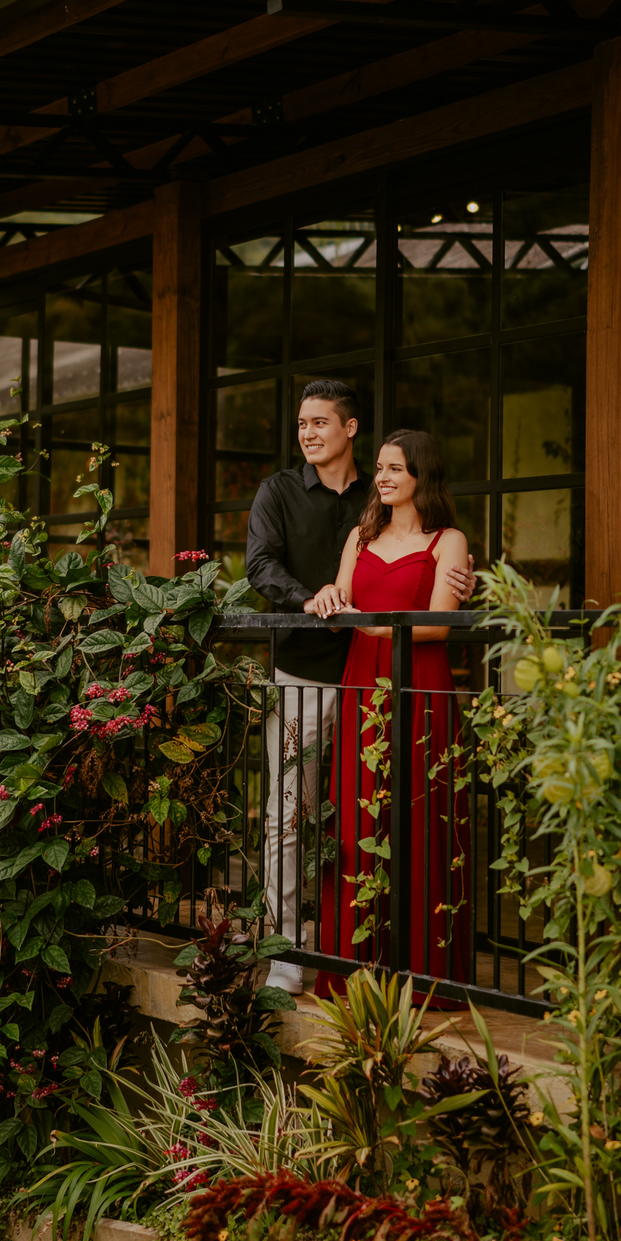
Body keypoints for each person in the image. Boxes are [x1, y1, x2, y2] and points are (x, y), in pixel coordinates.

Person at [246, 384, 474, 994]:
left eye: (320, 422)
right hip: (305, 675)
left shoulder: (374, 502)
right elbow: (261, 567)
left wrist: (461, 586)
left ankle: (402, 954)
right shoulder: (279, 491)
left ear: (349, 428)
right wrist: (310, 598)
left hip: (372, 679)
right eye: (301, 423)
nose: (307, 432)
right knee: (290, 814)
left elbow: (427, 587)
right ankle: (288, 955)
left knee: (392, 814)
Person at [309, 429, 471, 998]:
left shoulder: (449, 540)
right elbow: (342, 601)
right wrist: (328, 596)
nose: (382, 477)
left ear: (421, 475)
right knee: (359, 817)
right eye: (379, 467)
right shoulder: (361, 535)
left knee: (421, 816)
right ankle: (352, 970)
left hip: (420, 683)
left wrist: (379, 627)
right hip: (362, 681)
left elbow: (440, 624)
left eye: (395, 468)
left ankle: (425, 975)